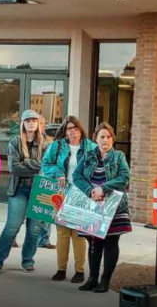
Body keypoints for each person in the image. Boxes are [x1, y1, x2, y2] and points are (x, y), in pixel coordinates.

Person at [0, 110, 52, 274]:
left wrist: (26, 163)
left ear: (38, 123)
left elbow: (46, 167)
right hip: (19, 189)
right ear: (23, 124)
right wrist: (35, 165)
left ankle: (27, 261)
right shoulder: (14, 143)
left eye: (34, 120)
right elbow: (14, 168)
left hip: (39, 190)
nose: (31, 123)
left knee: (34, 230)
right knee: (12, 227)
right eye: (28, 120)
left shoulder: (47, 144)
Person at [74, 122, 130, 294]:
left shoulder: (119, 156)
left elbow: (124, 177)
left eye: (108, 137)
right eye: (101, 137)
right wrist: (90, 190)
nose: (105, 140)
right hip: (93, 205)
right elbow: (76, 175)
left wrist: (103, 188)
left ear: (112, 139)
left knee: (110, 242)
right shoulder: (88, 155)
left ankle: (105, 281)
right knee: (94, 241)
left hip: (114, 207)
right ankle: (92, 279)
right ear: (95, 139)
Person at [41, 116, 96, 283]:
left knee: (79, 234)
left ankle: (79, 271)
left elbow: (99, 167)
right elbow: (45, 164)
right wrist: (57, 173)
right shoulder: (57, 146)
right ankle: (61, 269)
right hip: (62, 193)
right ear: (65, 131)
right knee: (62, 234)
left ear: (81, 130)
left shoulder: (91, 147)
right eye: (69, 128)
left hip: (82, 194)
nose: (73, 131)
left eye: (75, 128)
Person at [36, 113, 55, 250]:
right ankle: (12, 237)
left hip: (45, 180)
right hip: (29, 180)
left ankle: (44, 239)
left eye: (39, 123)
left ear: (43, 126)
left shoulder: (49, 142)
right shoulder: (24, 141)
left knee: (47, 212)